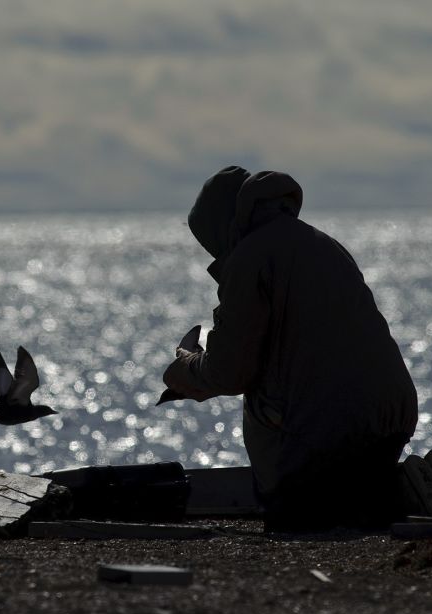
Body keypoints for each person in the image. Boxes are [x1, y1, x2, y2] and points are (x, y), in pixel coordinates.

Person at [162, 166, 418, 531]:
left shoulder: (250, 257)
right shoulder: (320, 242)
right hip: (390, 411)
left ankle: (354, 501)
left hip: (327, 424)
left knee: (291, 516)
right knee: (357, 502)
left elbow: (230, 371)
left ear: (221, 226)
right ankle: (394, 492)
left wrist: (184, 369)